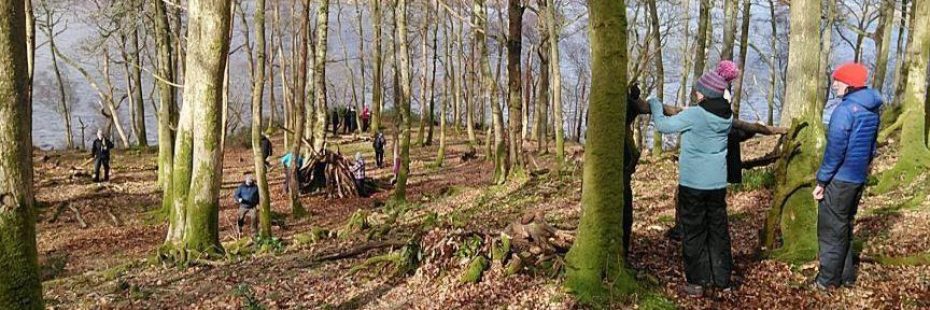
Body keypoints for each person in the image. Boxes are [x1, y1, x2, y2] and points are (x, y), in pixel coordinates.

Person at [649, 60, 739, 297]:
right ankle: (723, 281)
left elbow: (662, 126)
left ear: (706, 93)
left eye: (699, 89)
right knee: (718, 231)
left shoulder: (695, 115)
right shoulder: (727, 116)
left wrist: (655, 103)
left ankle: (697, 283)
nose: (696, 92)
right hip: (717, 184)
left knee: (694, 232)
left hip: (693, 184)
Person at [812, 63, 882, 290]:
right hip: (857, 178)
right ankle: (846, 276)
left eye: (838, 82)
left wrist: (822, 181)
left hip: (839, 180)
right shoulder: (871, 109)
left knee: (831, 230)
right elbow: (871, 148)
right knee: (845, 226)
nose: (834, 86)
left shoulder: (843, 111)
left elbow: (835, 151)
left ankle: (826, 281)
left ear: (850, 84)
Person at [234, 173, 261, 238]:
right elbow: (236, 195)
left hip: (252, 206)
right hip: (243, 206)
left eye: (251, 180)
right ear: (246, 180)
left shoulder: (255, 187)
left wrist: (258, 203)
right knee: (240, 218)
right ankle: (239, 231)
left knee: (254, 218)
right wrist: (238, 199)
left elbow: (258, 196)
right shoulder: (241, 187)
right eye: (249, 181)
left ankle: (254, 233)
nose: (250, 182)